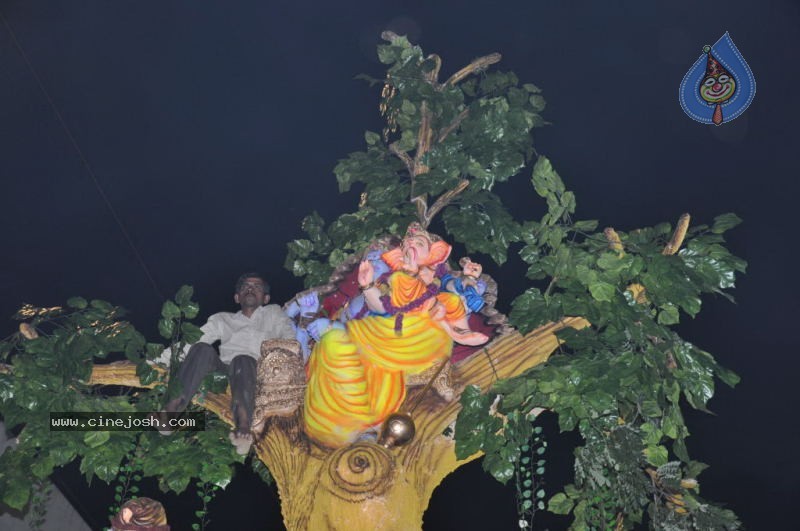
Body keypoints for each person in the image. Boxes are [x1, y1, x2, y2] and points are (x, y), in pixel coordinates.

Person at [303, 223, 489, 448]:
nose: (410, 245)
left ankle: (461, 334)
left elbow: (457, 292)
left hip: (411, 337)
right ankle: (353, 425)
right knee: (332, 344)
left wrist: (469, 279)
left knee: (446, 303)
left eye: (418, 243)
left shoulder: (438, 285)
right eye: (406, 243)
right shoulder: (391, 278)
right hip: (376, 334)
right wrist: (368, 285)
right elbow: (382, 308)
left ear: (433, 255)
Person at [157, 273, 295, 454]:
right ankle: (171, 410)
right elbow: (191, 342)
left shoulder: (274, 313)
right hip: (224, 370)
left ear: (266, 298)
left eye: (257, 287)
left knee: (243, 359)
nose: (251, 289)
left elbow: (290, 342)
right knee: (201, 348)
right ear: (237, 297)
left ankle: (243, 426)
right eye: (245, 286)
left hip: (256, 371)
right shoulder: (222, 319)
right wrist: (155, 360)